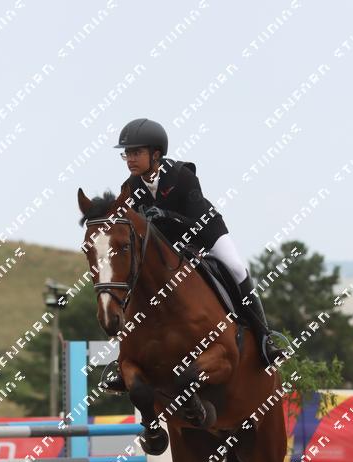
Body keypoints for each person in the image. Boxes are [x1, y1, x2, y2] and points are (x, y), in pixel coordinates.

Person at [103, 118, 282, 391]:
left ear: (156, 154)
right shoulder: (130, 187)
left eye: (136, 152)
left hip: (205, 233)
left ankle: (265, 339)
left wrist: (166, 215)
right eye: (127, 153)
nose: (130, 159)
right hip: (168, 246)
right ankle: (124, 361)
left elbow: (196, 221)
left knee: (236, 267)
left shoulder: (181, 177)